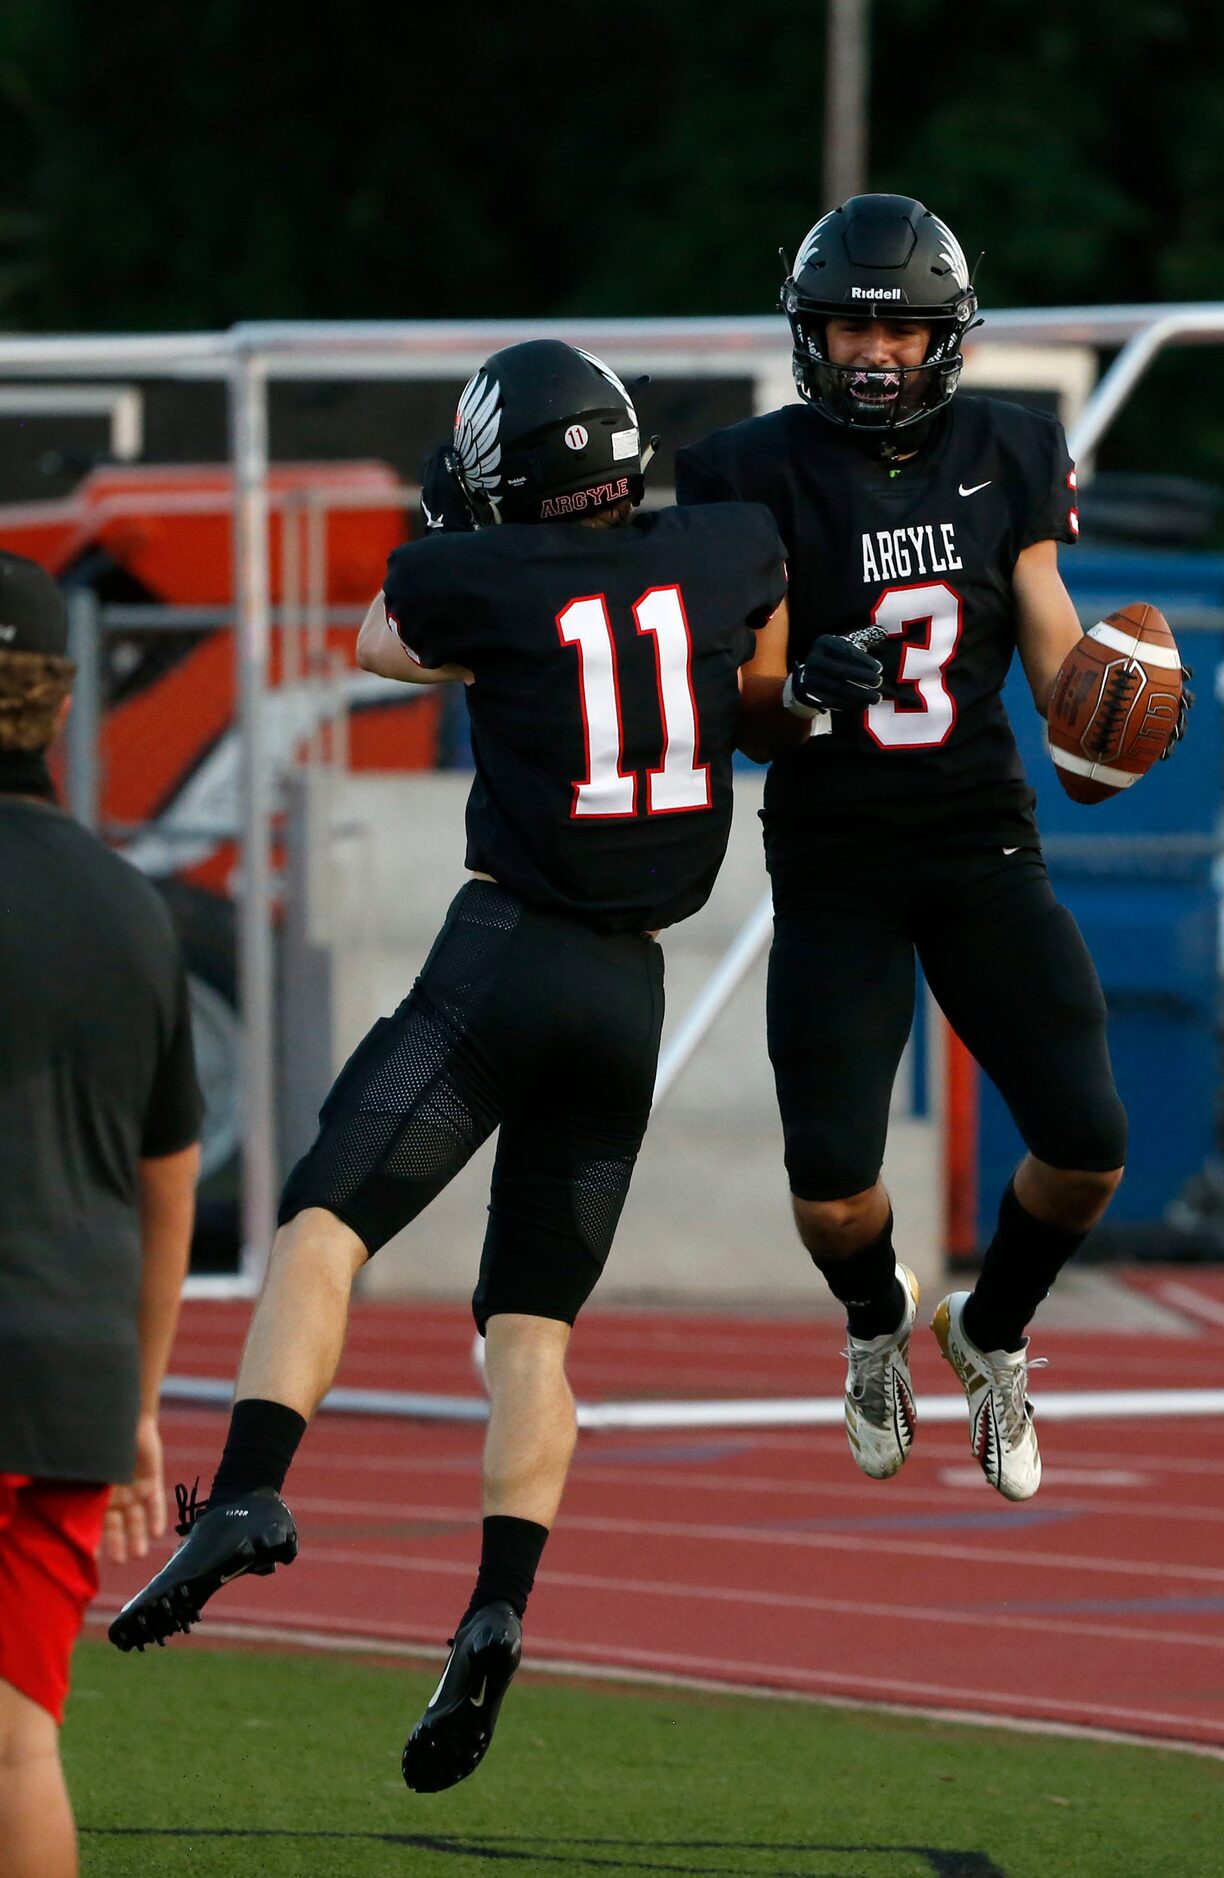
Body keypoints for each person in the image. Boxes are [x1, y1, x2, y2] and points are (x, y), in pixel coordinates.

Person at [109, 340, 788, 1792]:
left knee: (323, 1221)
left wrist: (470, 553)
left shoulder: (480, 579)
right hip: (631, 993)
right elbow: (753, 644)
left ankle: (247, 1494)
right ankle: (497, 1604)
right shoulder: (725, 550)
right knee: (532, 1336)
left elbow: (378, 638)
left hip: (504, 958)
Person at [675, 194, 1170, 1503]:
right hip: (835, 853)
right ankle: (871, 1318)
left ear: (948, 339)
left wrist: (1103, 722)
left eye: (900, 330)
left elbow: (1050, 627)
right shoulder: (746, 470)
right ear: (810, 334)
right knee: (834, 1187)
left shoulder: (1009, 447)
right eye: (848, 327)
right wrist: (808, 688)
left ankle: (991, 1331)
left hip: (977, 839)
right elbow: (758, 718)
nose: (875, 353)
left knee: (1088, 1141)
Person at [0, 550, 202, 1878]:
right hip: (69, 1375)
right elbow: (166, 1184)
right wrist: (137, 1402)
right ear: (64, 706)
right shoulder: (133, 911)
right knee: (20, 1741)